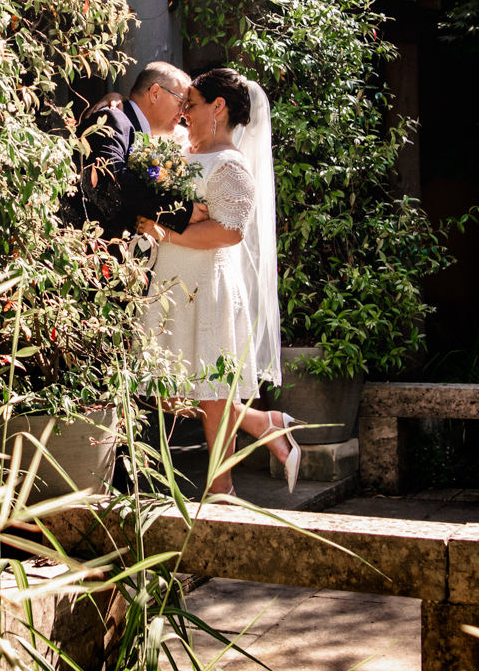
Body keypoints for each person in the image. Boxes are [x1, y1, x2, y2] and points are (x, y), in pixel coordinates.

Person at [137, 68, 301, 497]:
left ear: (219, 107)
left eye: (190, 105)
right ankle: (263, 423)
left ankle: (221, 486)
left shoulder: (229, 164)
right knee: (166, 390)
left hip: (206, 284)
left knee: (210, 384)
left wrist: (167, 231)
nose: (184, 113)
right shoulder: (184, 154)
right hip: (171, 280)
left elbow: (229, 232)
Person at [63, 61, 206, 242]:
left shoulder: (144, 131)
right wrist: (181, 211)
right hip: (90, 245)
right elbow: (114, 178)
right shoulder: (112, 118)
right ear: (154, 93)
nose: (183, 113)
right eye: (181, 102)